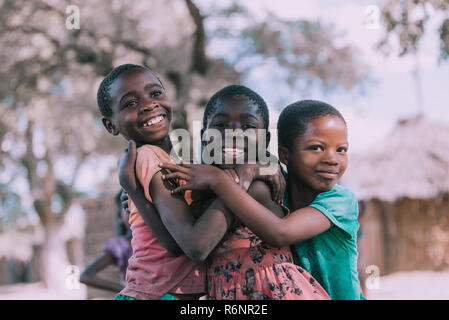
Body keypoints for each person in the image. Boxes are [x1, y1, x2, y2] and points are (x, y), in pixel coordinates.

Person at [133, 84, 330, 300]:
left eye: (247, 126)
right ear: (204, 136)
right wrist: (136, 192)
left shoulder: (256, 187)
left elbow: (197, 246)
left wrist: (238, 175)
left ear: (264, 141)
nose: (232, 134)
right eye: (220, 125)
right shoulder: (212, 187)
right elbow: (174, 241)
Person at [163, 100, 364, 300]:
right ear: (285, 155)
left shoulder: (340, 201)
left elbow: (280, 233)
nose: (332, 159)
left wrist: (218, 181)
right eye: (317, 148)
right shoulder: (274, 187)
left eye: (341, 150)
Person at [98, 64, 246, 300]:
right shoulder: (147, 156)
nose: (149, 104)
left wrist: (135, 192)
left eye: (155, 93)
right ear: (111, 124)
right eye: (130, 103)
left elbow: (171, 241)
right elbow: (193, 245)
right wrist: (239, 183)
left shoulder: (175, 160)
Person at [80, 190, 132, 293]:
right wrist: (127, 290)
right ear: (119, 216)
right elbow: (86, 276)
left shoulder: (158, 238)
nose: (134, 211)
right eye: (127, 208)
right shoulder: (119, 246)